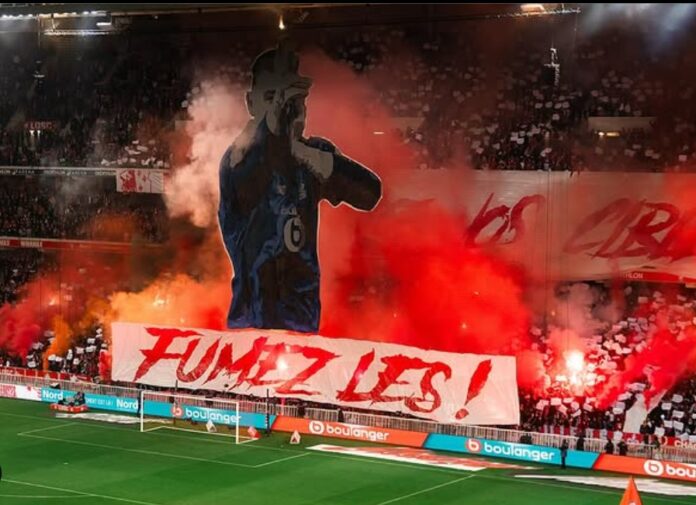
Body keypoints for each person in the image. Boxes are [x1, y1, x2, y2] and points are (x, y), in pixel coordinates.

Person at [218, 40, 382, 333]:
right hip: (251, 319)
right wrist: (275, 132)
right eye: (272, 97)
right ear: (251, 103)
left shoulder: (312, 155)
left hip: (301, 318)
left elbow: (370, 193)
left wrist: (310, 156)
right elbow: (259, 169)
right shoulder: (238, 160)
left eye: (294, 101)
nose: (285, 109)